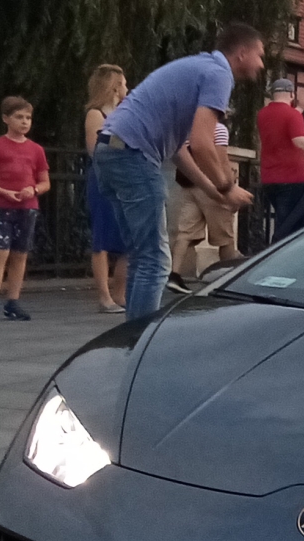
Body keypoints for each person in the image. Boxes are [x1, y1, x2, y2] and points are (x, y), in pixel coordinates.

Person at [91, 22, 261, 319]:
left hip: (110, 150)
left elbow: (179, 150)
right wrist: (226, 186)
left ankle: (132, 340)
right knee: (155, 260)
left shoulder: (198, 67)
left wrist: (214, 193)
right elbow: (202, 142)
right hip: (133, 154)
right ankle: (140, 343)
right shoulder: (219, 74)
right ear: (242, 53)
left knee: (142, 256)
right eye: (259, 56)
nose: (261, 64)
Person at [0, 96, 49, 322]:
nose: (25, 122)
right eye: (19, 117)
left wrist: (33, 190)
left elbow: (45, 182)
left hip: (27, 207)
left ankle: (13, 301)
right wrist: (3, 191)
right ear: (6, 119)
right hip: (2, 205)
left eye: (28, 118)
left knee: (20, 254)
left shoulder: (36, 150)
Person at [169, 112, 243, 285]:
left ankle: (174, 274)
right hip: (211, 188)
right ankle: (227, 277)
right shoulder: (219, 129)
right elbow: (221, 160)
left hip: (189, 185)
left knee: (185, 233)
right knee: (225, 237)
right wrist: (229, 188)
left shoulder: (188, 129)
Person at [83, 65, 129, 312]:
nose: (127, 89)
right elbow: (95, 149)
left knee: (126, 238)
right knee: (102, 237)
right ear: (114, 86)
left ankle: (120, 294)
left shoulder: (125, 112)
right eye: (124, 84)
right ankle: (104, 296)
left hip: (124, 180)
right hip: (103, 180)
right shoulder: (96, 114)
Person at [255, 88, 304, 236]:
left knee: (281, 218)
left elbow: (281, 122)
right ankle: (281, 254)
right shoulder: (293, 115)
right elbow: (300, 142)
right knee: (288, 223)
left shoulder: (262, 114)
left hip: (269, 176)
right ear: (291, 95)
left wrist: (301, 108)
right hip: (291, 177)